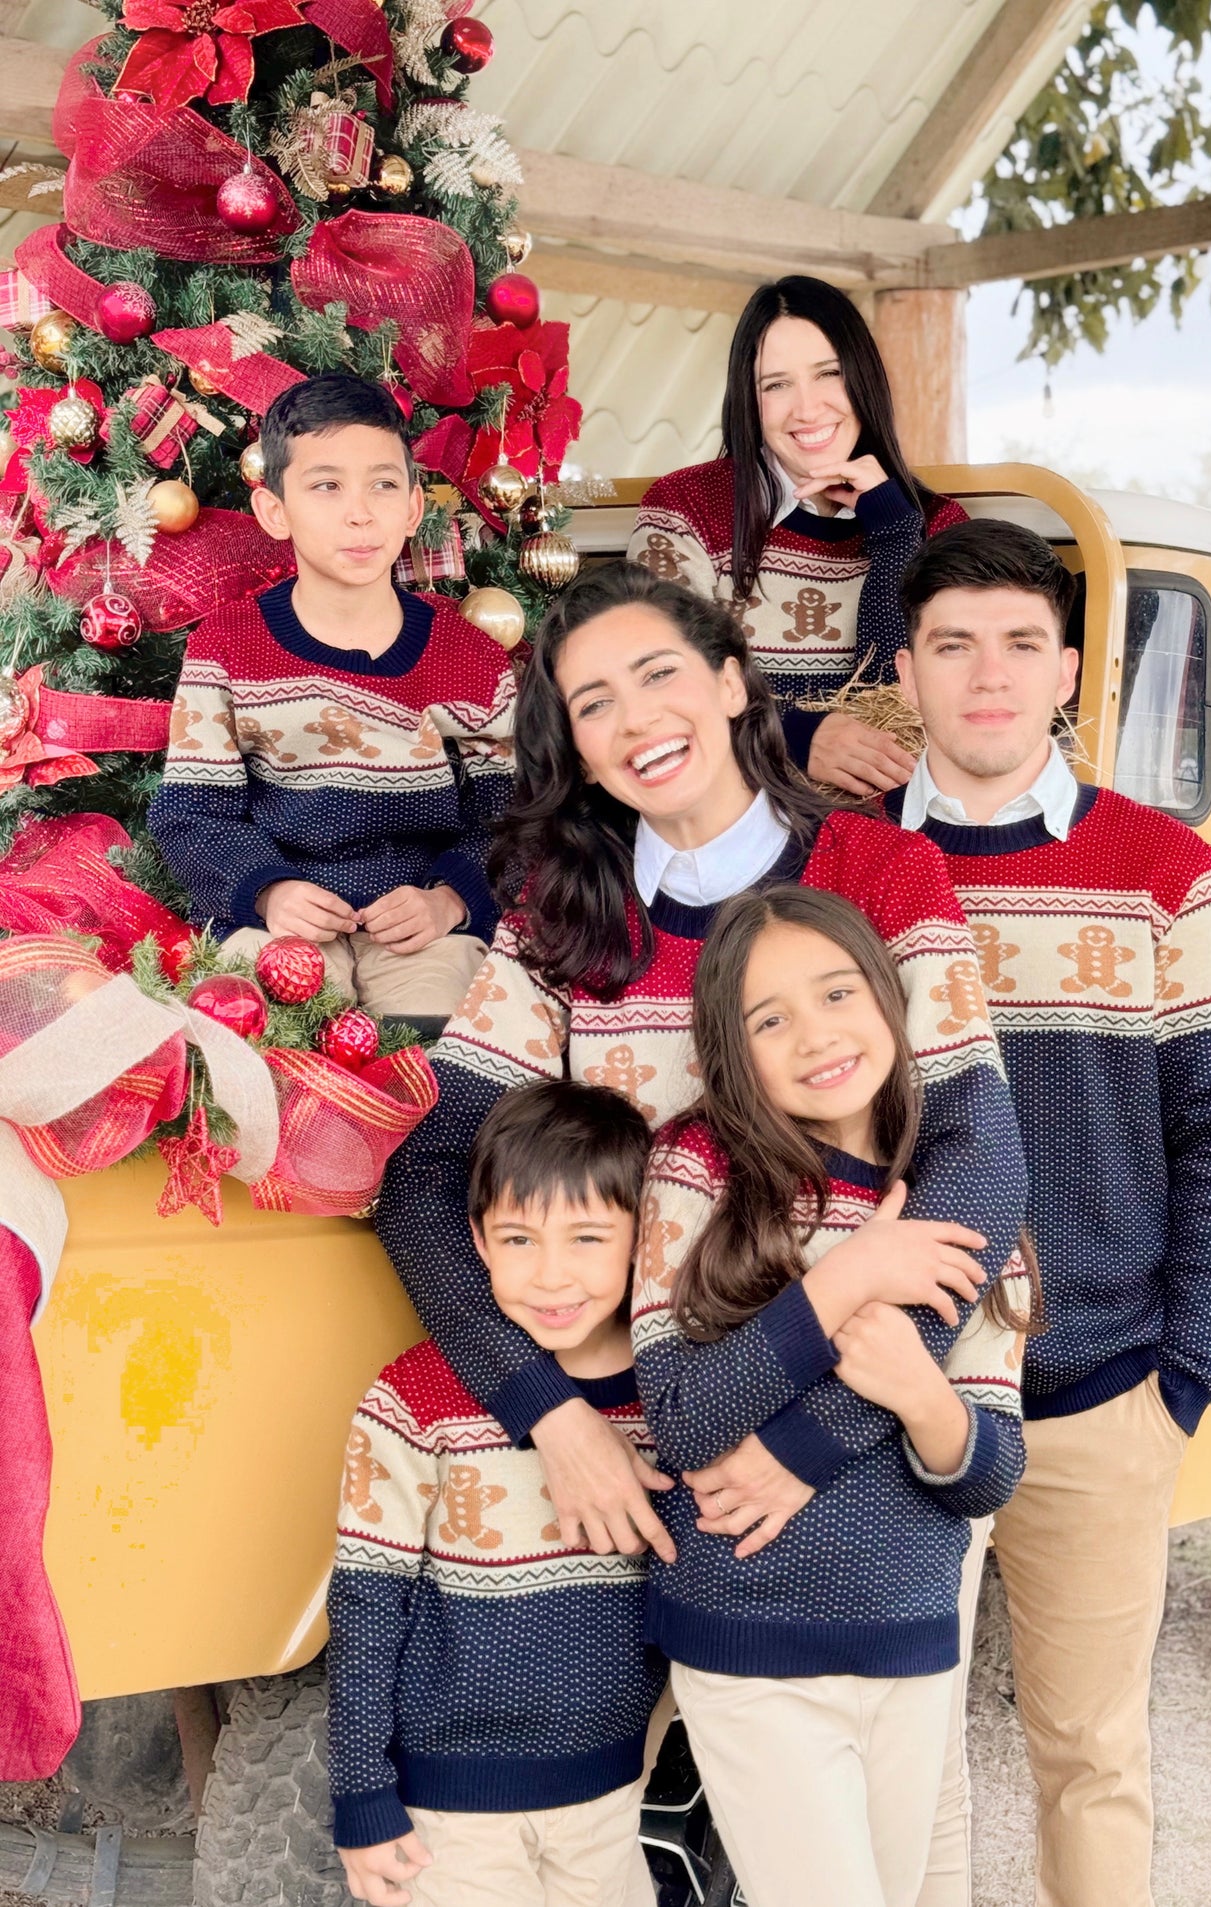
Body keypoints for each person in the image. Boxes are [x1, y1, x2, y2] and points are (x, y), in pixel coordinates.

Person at [374, 559, 1027, 1574]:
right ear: (579, 754)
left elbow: (975, 1157)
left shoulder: (877, 871)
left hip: (851, 1436)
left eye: (659, 675)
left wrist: (811, 1438)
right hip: (621, 1459)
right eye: (595, 704)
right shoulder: (560, 918)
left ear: (729, 684)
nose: (636, 720)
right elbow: (423, 1180)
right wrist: (553, 1416)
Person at [886, 519, 1211, 1907]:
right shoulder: (846, 872)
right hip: (886, 1396)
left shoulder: (1161, 866)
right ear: (906, 672)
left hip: (1102, 1393)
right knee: (894, 1753)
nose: (985, 675)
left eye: (1017, 642)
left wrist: (1184, 1370)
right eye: (951, 645)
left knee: (1089, 1748)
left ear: (1065, 670)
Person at [633, 885, 1033, 1907]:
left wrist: (915, 1393)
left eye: (837, 993)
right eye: (770, 1019)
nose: (815, 1035)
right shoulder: (699, 1170)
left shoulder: (956, 1204)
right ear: (731, 1049)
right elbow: (681, 1415)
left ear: (891, 1008)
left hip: (905, 1642)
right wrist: (848, 1277)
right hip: (751, 1644)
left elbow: (989, 1468)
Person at [326, 1078, 667, 1907]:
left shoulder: (670, 1398)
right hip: (449, 1815)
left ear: (642, 1241)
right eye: (518, 1238)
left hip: (611, 1796)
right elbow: (367, 1607)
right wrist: (360, 1796)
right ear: (476, 1240)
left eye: (587, 1237)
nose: (551, 1275)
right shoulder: (416, 1401)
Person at [149, 372, 515, 1020]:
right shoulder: (227, 644)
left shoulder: (470, 656)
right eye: (326, 486)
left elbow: (514, 812)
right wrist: (268, 890)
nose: (359, 511)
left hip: (417, 920)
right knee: (265, 1033)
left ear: (411, 507)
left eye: (382, 483)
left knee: (455, 1039)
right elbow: (191, 813)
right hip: (280, 920)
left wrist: (451, 898)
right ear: (274, 511)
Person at [626, 275, 967, 797]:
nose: (806, 409)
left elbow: (904, 701)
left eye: (828, 373)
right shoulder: (686, 508)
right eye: (776, 384)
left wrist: (896, 537)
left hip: (889, 834)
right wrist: (796, 736)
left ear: (863, 377)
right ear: (749, 397)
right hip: (734, 825)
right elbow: (656, 686)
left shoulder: (938, 526)